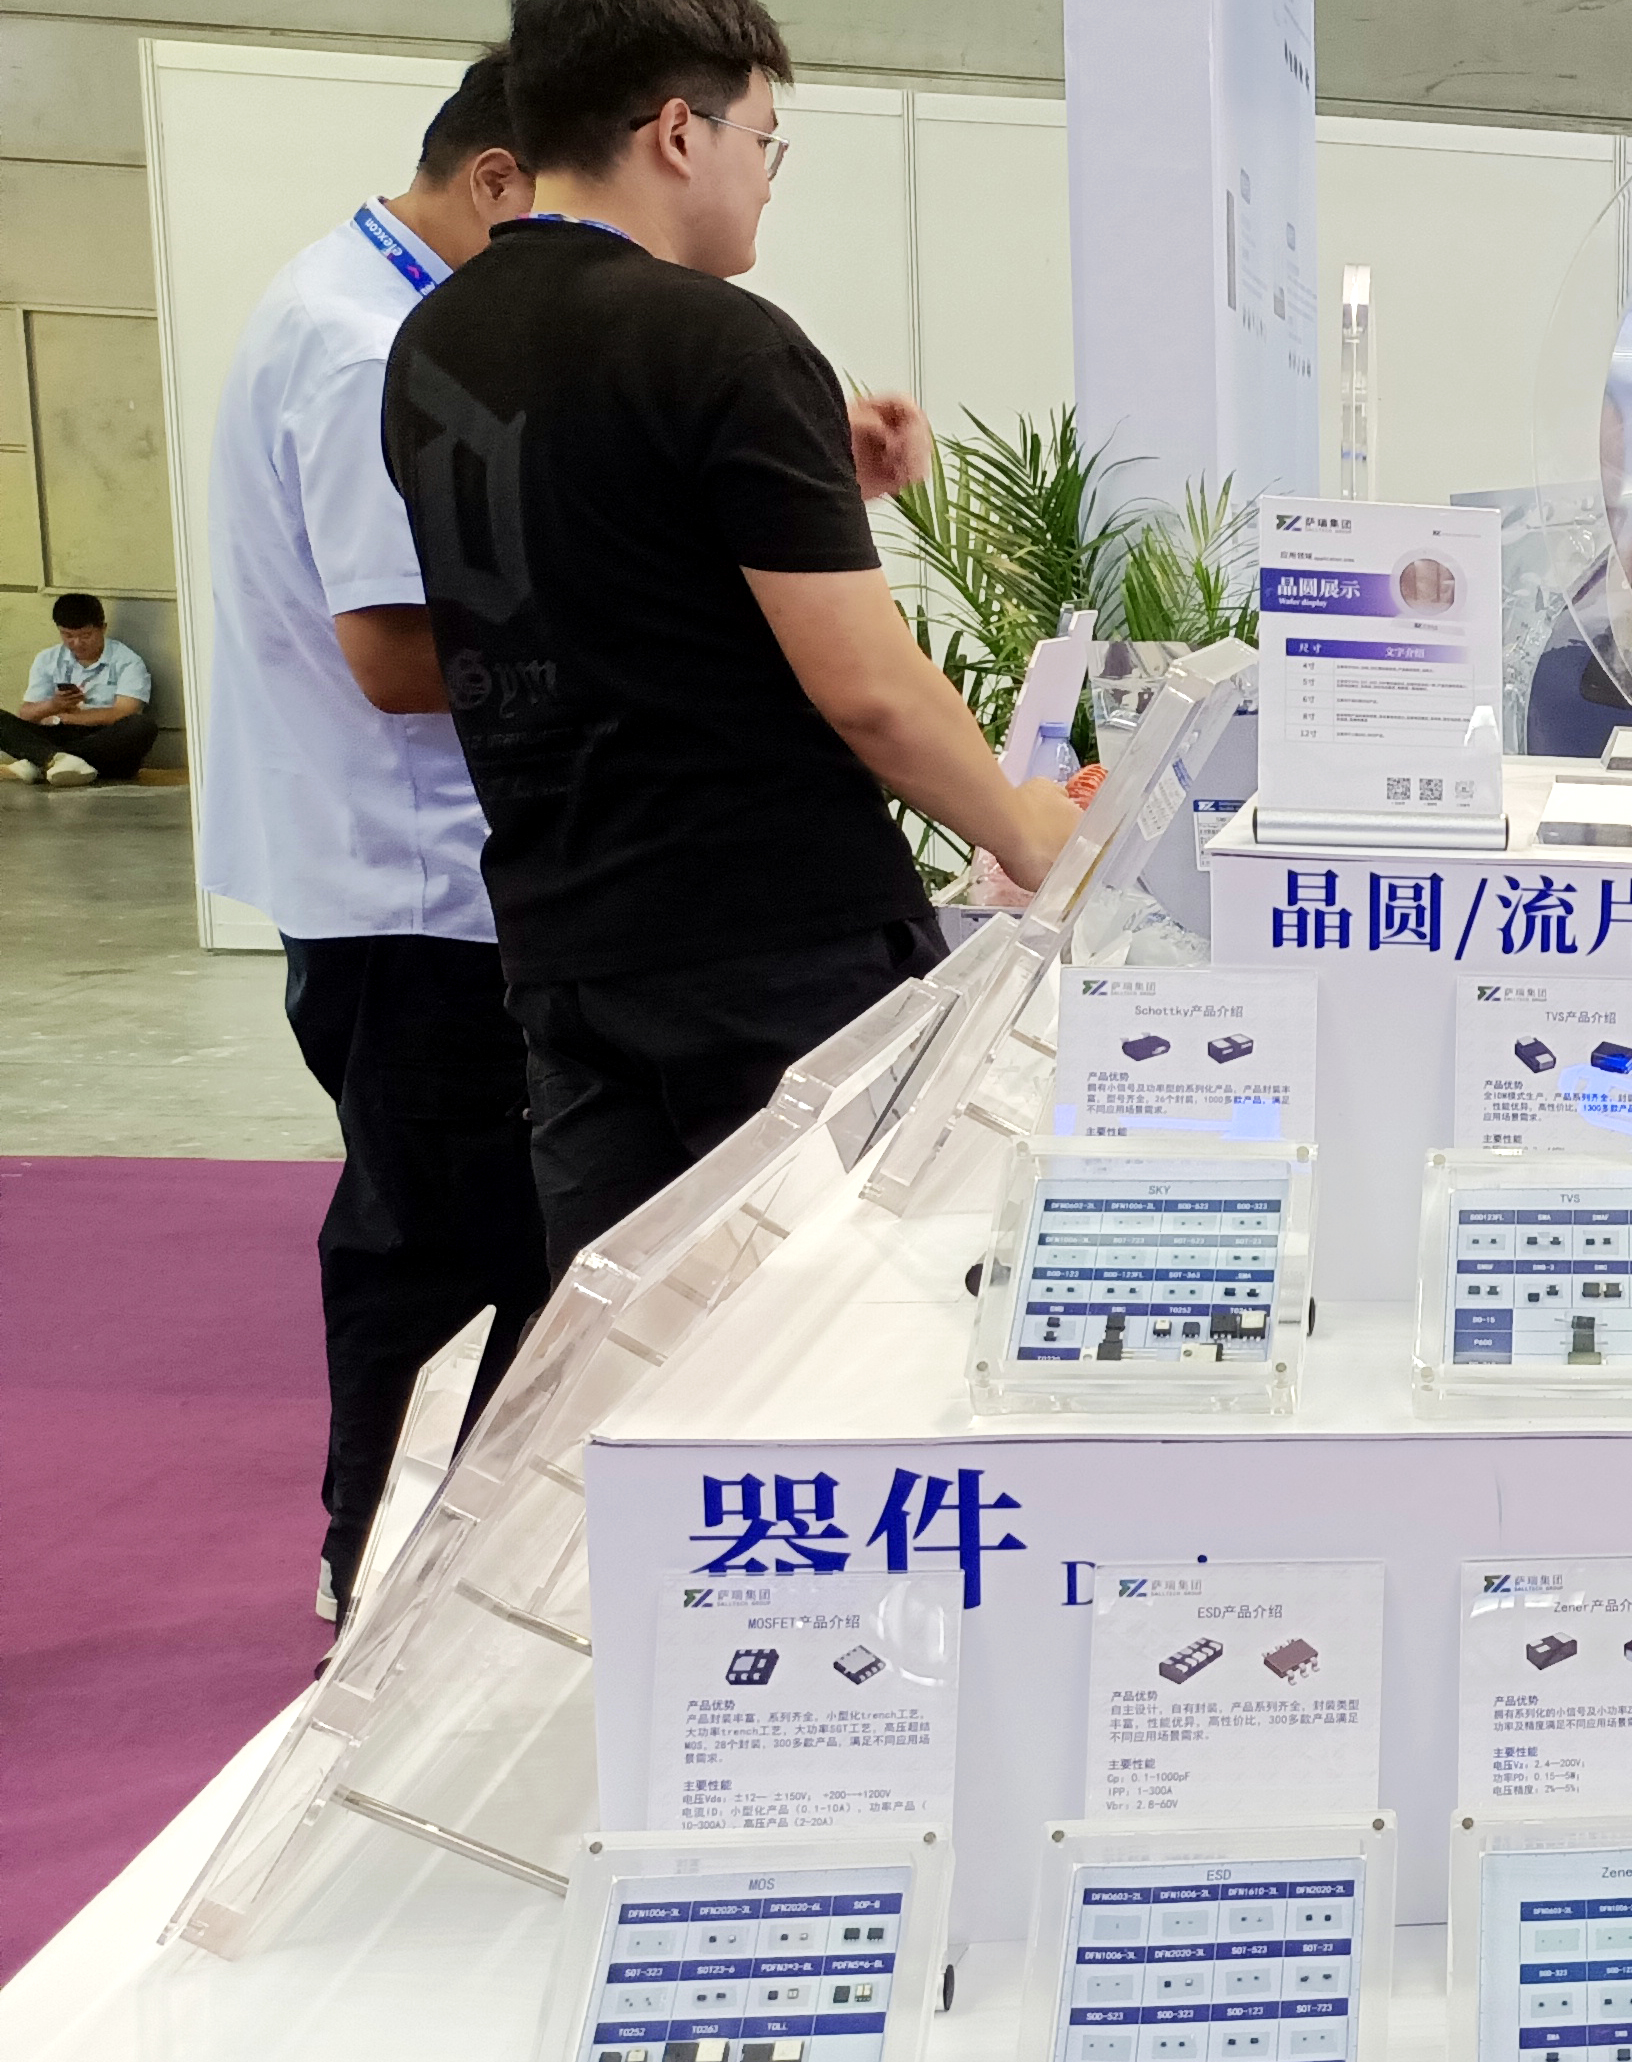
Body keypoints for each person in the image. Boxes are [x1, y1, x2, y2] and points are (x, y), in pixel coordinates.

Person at [386, 0, 1075, 1275]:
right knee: (827, 1320)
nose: (767, 175)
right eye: (763, 138)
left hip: (568, 940)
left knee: (624, 1333)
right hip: (773, 946)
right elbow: (867, 689)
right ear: (677, 133)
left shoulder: (436, 341)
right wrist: (1025, 829)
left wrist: (802, 474)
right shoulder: (720, 339)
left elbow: (607, 567)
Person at [194, 54, 549, 1624]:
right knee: (434, 1240)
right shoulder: (367, 348)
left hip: (405, 872)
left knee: (465, 1223)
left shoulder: (372, 308)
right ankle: (380, 1569)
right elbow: (397, 656)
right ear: (495, 178)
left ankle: (429, 1563)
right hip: (408, 885)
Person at [6, 595, 159, 786]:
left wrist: (65, 717)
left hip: (104, 739)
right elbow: (27, 714)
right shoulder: (47, 659)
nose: (77, 643)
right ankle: (56, 761)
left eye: (86, 636)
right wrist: (53, 705)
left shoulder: (127, 661)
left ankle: (45, 761)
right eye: (68, 636)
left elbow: (124, 712)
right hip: (59, 734)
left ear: (103, 628)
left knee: (142, 726)